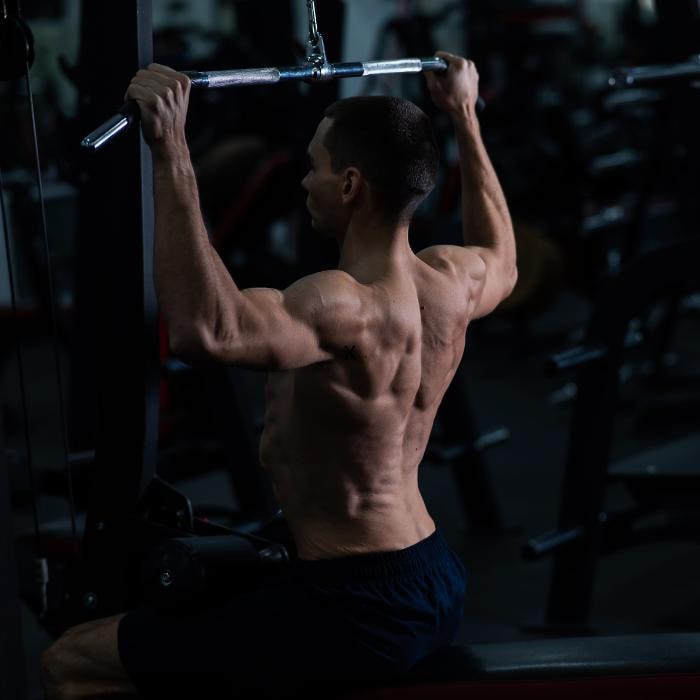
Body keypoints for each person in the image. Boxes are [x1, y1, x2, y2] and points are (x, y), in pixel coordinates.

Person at [41, 52, 516, 698]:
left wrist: (170, 148)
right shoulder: (451, 283)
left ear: (350, 186)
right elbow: (504, 258)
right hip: (429, 572)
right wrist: (464, 112)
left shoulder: (342, 303)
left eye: (315, 167)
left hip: (351, 600)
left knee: (72, 663)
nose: (302, 182)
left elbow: (208, 331)